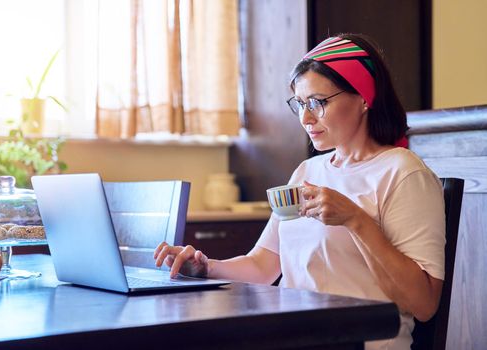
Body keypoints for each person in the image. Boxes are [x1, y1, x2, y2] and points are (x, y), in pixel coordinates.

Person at [154, 33, 445, 350]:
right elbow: (264, 265)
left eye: (318, 103)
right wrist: (206, 268)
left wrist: (355, 220)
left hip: (362, 342)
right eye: (301, 104)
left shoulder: (403, 172)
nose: (306, 118)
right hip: (299, 337)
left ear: (364, 97)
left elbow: (424, 303)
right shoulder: (308, 171)